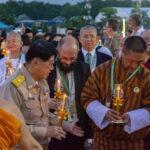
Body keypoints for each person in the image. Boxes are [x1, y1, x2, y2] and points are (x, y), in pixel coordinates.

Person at [81, 36, 150, 150]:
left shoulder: (146, 76)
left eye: (139, 62)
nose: (134, 66)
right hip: (103, 141)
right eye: (131, 61)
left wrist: (132, 117)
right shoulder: (102, 70)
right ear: (122, 52)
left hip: (133, 143)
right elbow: (87, 97)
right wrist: (104, 113)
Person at [0, 39, 66, 149]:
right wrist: (45, 131)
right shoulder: (13, 86)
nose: (52, 68)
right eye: (50, 64)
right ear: (35, 62)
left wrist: (64, 124)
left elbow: (43, 113)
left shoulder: (42, 81)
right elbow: (10, 125)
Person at [47, 36, 92, 150]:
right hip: (54, 127)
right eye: (64, 58)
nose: (67, 62)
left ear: (78, 52)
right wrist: (47, 101)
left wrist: (90, 134)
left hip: (77, 127)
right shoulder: (48, 68)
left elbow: (89, 99)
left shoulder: (84, 69)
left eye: (72, 59)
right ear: (58, 51)